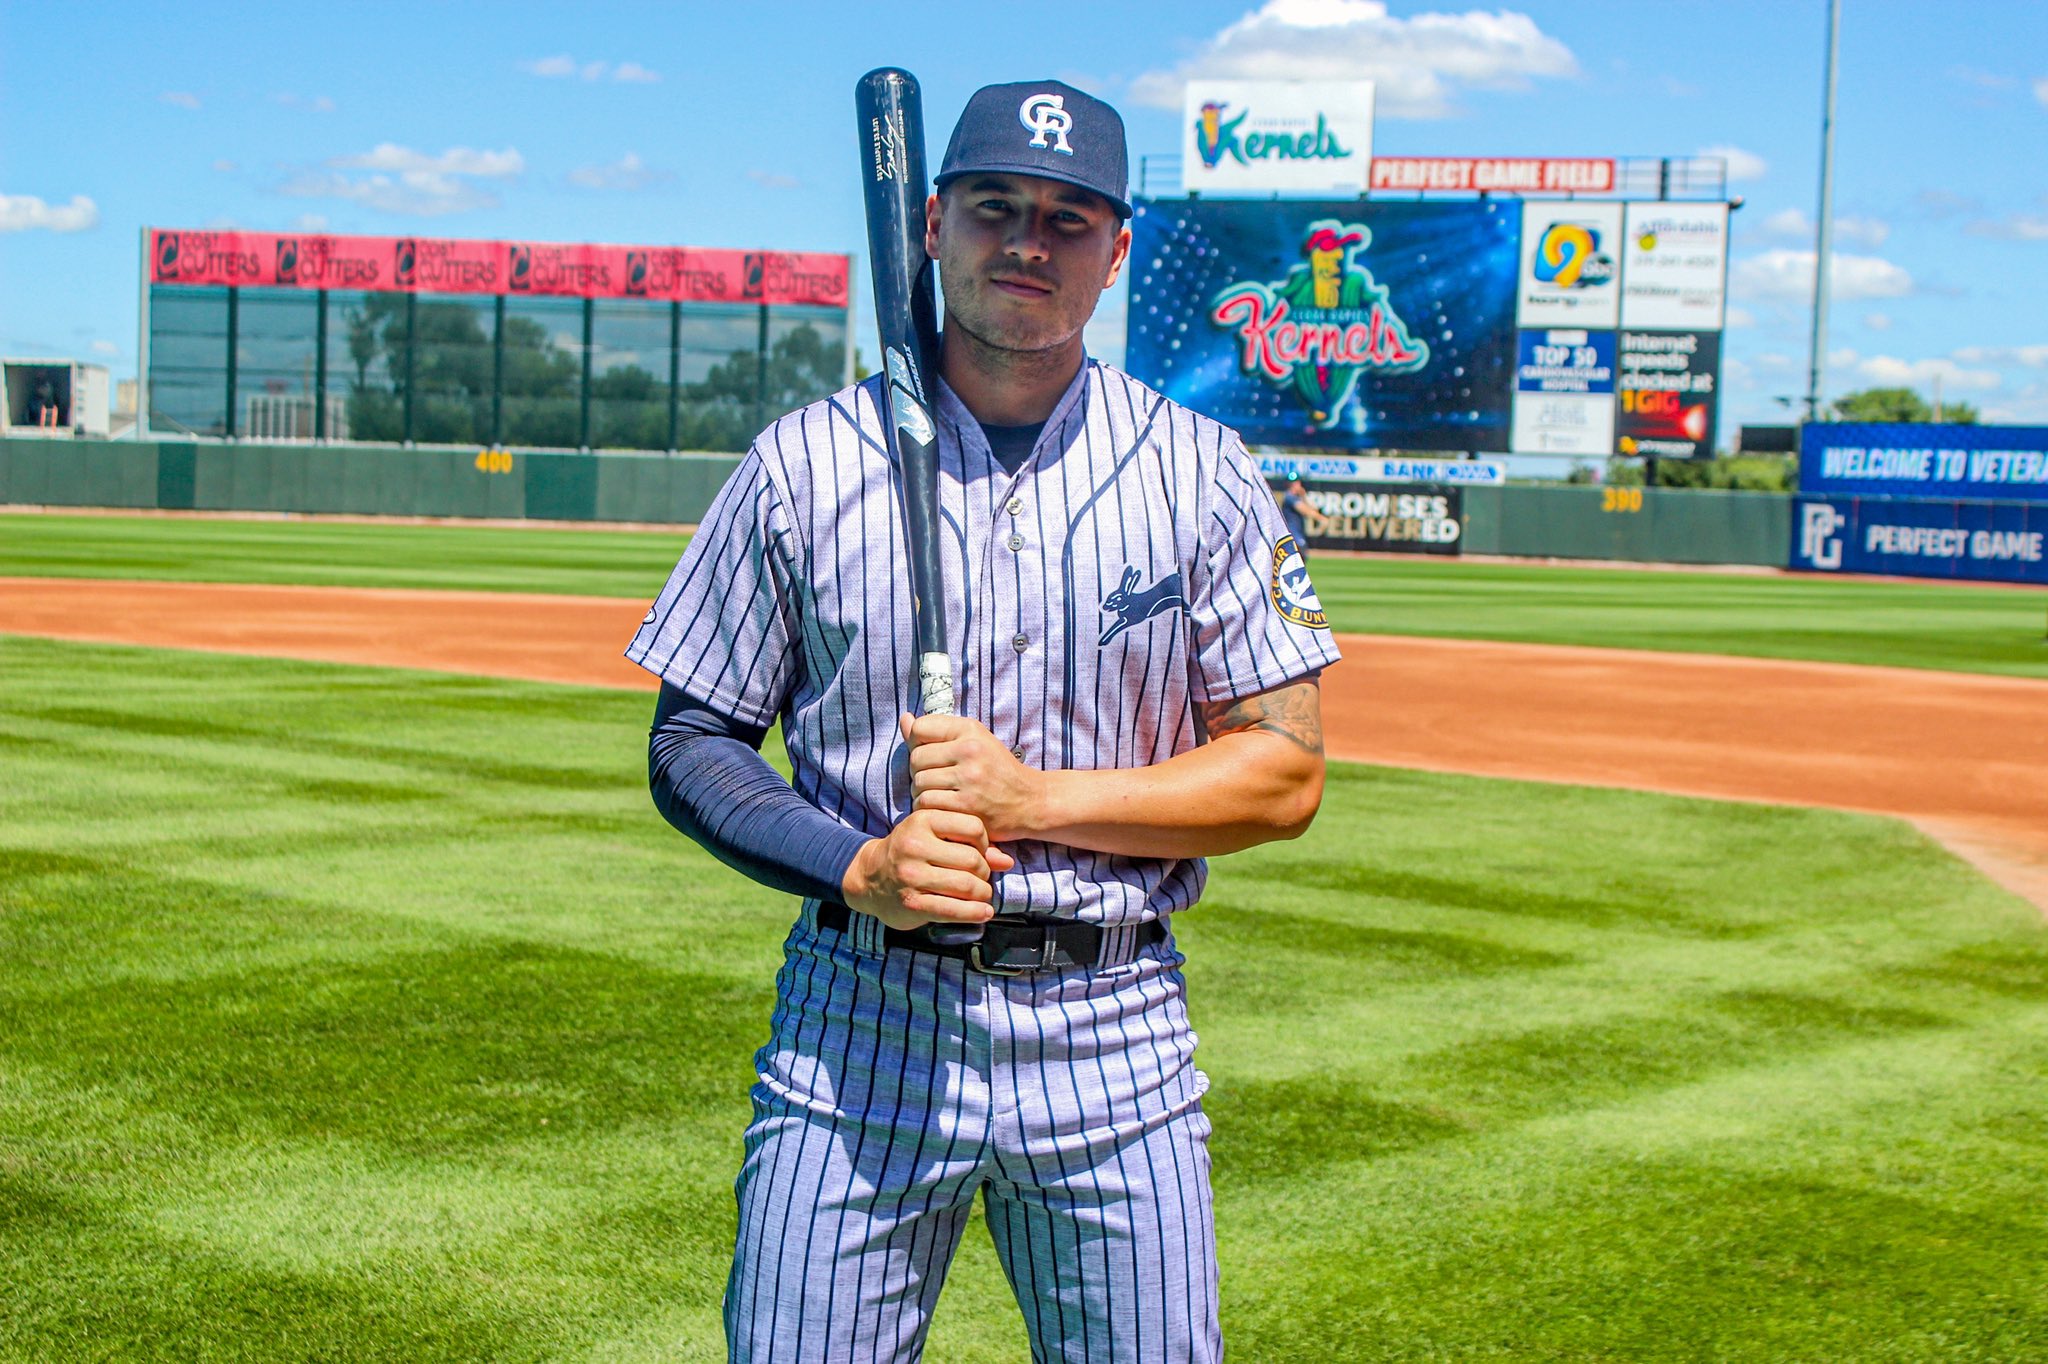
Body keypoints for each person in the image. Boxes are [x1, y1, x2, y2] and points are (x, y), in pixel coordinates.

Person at [627, 78, 1339, 1364]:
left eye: (1069, 219)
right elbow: (691, 742)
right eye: (995, 206)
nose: (1028, 242)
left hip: (1115, 1034)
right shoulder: (802, 463)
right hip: (861, 1027)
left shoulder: (1203, 472)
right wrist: (857, 863)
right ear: (930, 225)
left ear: (1115, 253)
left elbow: (1282, 776)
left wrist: (1036, 800)